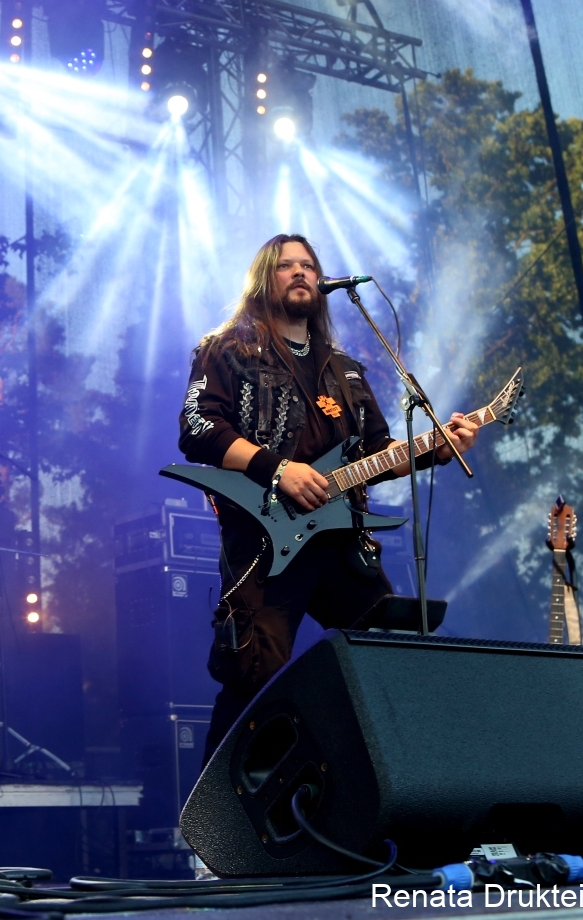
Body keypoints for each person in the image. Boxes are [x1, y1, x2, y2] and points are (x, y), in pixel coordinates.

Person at [178, 234, 480, 758]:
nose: (300, 272)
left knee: (388, 658)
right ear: (263, 279)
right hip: (265, 541)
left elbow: (377, 452)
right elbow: (197, 427)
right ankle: (218, 807)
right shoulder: (227, 349)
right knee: (252, 678)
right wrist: (278, 470)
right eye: (286, 265)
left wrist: (435, 448)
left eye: (308, 265)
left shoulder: (346, 369)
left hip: (343, 540)